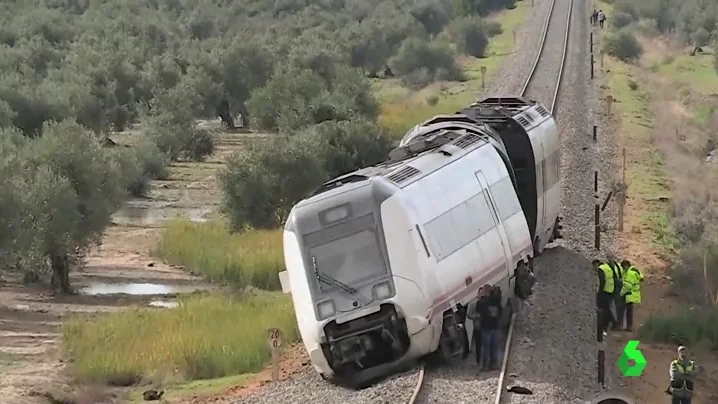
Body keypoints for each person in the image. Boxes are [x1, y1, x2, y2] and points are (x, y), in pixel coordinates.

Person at [479, 286, 502, 371]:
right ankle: (494, 364)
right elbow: (500, 313)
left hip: (486, 328)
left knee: (486, 348)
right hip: (495, 327)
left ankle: (485, 365)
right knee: (494, 347)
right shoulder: (497, 302)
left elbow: (479, 311)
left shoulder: (483, 302)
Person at [467, 285, 491, 365]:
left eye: (483, 293)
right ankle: (478, 360)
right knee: (478, 345)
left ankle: (486, 360)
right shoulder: (473, 304)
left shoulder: (488, 303)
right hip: (477, 327)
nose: (482, 295)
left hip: (486, 327)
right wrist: (476, 316)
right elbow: (469, 314)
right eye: (480, 293)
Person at [619, 260, 643, 331]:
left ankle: (623, 326)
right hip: (634, 294)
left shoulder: (630, 273)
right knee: (629, 311)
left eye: (623, 267)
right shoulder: (634, 270)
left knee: (623, 310)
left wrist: (621, 293)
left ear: (626, 266)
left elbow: (628, 286)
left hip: (628, 294)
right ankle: (629, 326)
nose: (623, 269)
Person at [595, 259, 617, 336]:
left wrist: (599, 293)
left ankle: (612, 323)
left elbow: (602, 281)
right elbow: (615, 278)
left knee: (604, 310)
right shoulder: (608, 267)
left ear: (596, 264)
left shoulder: (601, 269)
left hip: (604, 292)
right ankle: (611, 323)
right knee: (608, 308)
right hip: (611, 290)